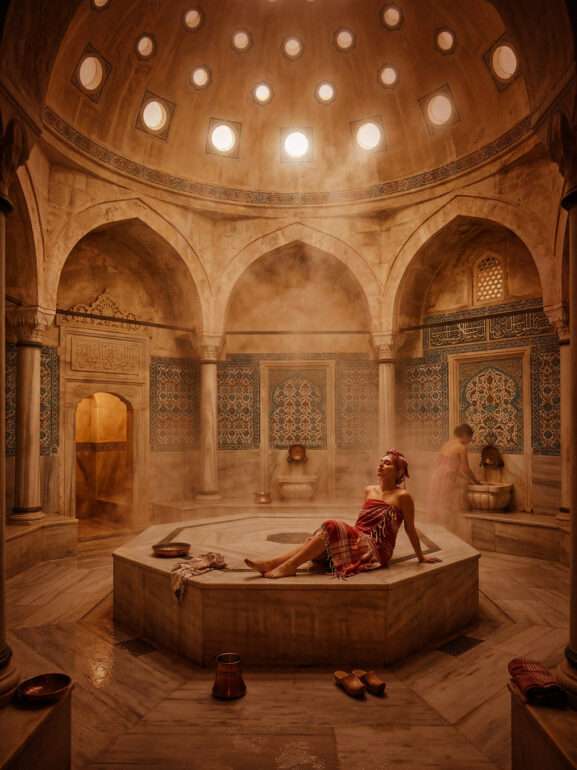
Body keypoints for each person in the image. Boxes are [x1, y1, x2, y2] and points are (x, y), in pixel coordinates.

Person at [245, 449, 440, 579]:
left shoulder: (403, 496)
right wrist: (346, 538)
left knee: (330, 526)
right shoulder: (369, 490)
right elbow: (362, 523)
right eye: (380, 462)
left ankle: (288, 567)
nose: (381, 465)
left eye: (387, 463)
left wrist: (421, 557)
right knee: (321, 535)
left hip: (375, 549)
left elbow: (409, 528)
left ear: (398, 471)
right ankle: (272, 563)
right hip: (359, 539)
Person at [428, 424, 480, 532]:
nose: (470, 440)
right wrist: (476, 482)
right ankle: (447, 531)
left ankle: (436, 531)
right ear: (465, 435)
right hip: (447, 477)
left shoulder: (447, 444)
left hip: (437, 476)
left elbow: (440, 463)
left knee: (437, 503)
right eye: (470, 437)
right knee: (446, 504)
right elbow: (466, 469)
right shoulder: (461, 447)